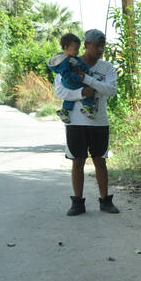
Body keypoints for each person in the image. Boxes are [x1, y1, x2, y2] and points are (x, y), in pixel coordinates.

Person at [54, 29, 119, 216]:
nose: (101, 49)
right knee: (77, 161)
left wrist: (87, 79)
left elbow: (111, 90)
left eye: (103, 45)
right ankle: (78, 202)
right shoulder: (68, 64)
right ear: (86, 45)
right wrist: (81, 93)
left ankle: (105, 200)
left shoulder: (107, 68)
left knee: (100, 160)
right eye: (97, 45)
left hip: (99, 122)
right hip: (75, 122)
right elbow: (60, 91)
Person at [46, 33, 97, 123]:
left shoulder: (73, 57)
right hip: (70, 80)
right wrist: (79, 77)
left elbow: (81, 64)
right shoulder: (63, 61)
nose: (77, 52)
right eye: (75, 49)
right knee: (87, 88)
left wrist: (86, 70)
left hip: (69, 81)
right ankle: (88, 106)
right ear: (66, 47)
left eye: (78, 49)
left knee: (70, 97)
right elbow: (66, 74)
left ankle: (65, 110)